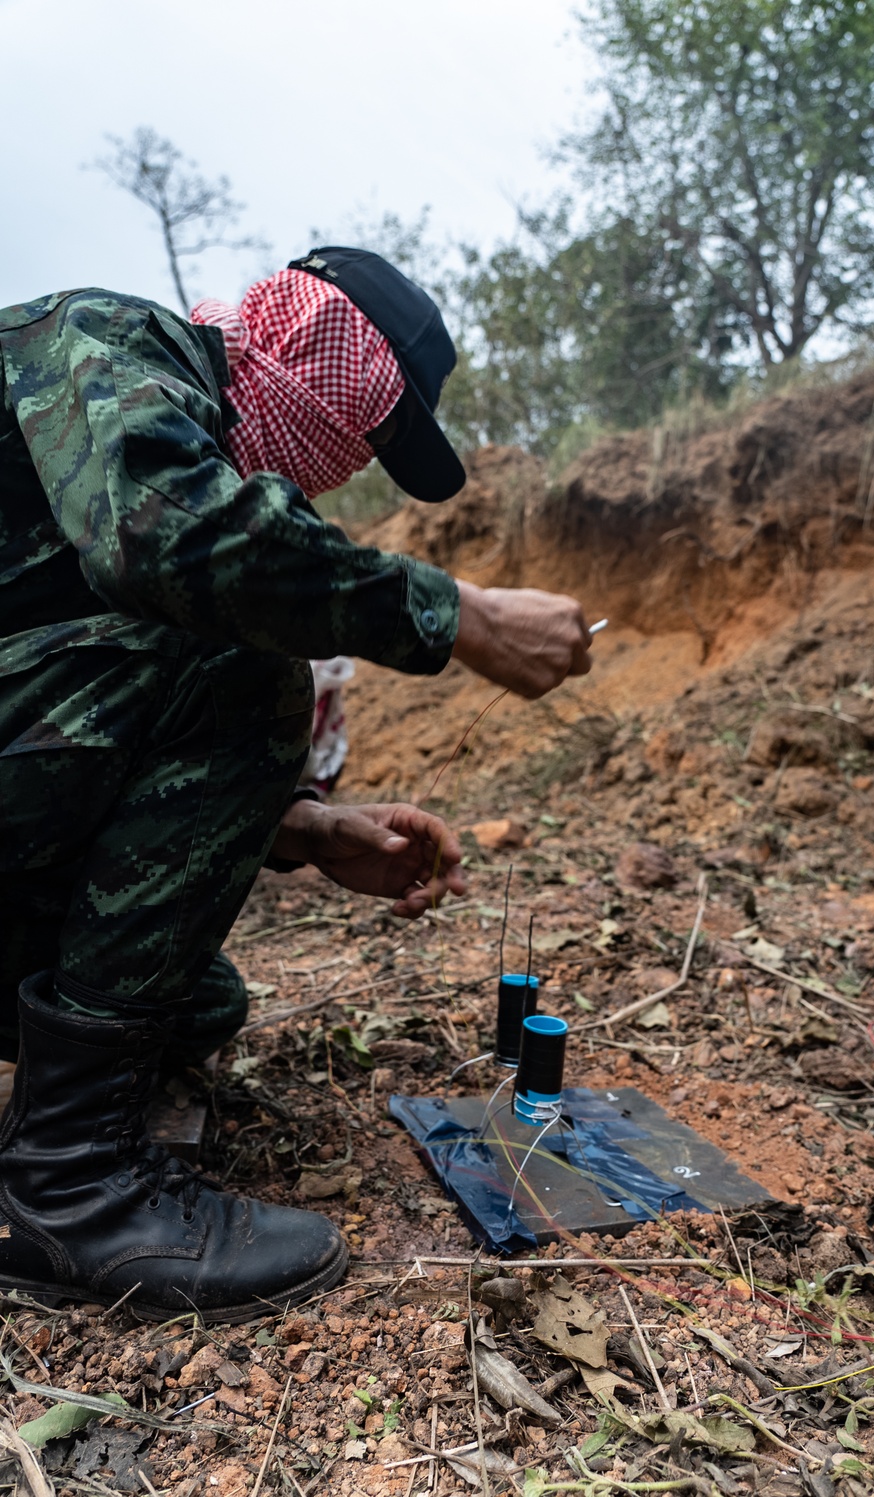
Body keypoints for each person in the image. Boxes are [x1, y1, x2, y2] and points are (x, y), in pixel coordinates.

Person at [0, 246, 592, 1323]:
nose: (344, 466)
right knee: (243, 664)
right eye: (367, 428)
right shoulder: (102, 338)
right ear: (327, 359)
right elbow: (165, 540)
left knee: (195, 1001)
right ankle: (70, 1189)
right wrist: (462, 615)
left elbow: (66, 701)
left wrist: (302, 829)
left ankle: (60, 1145)